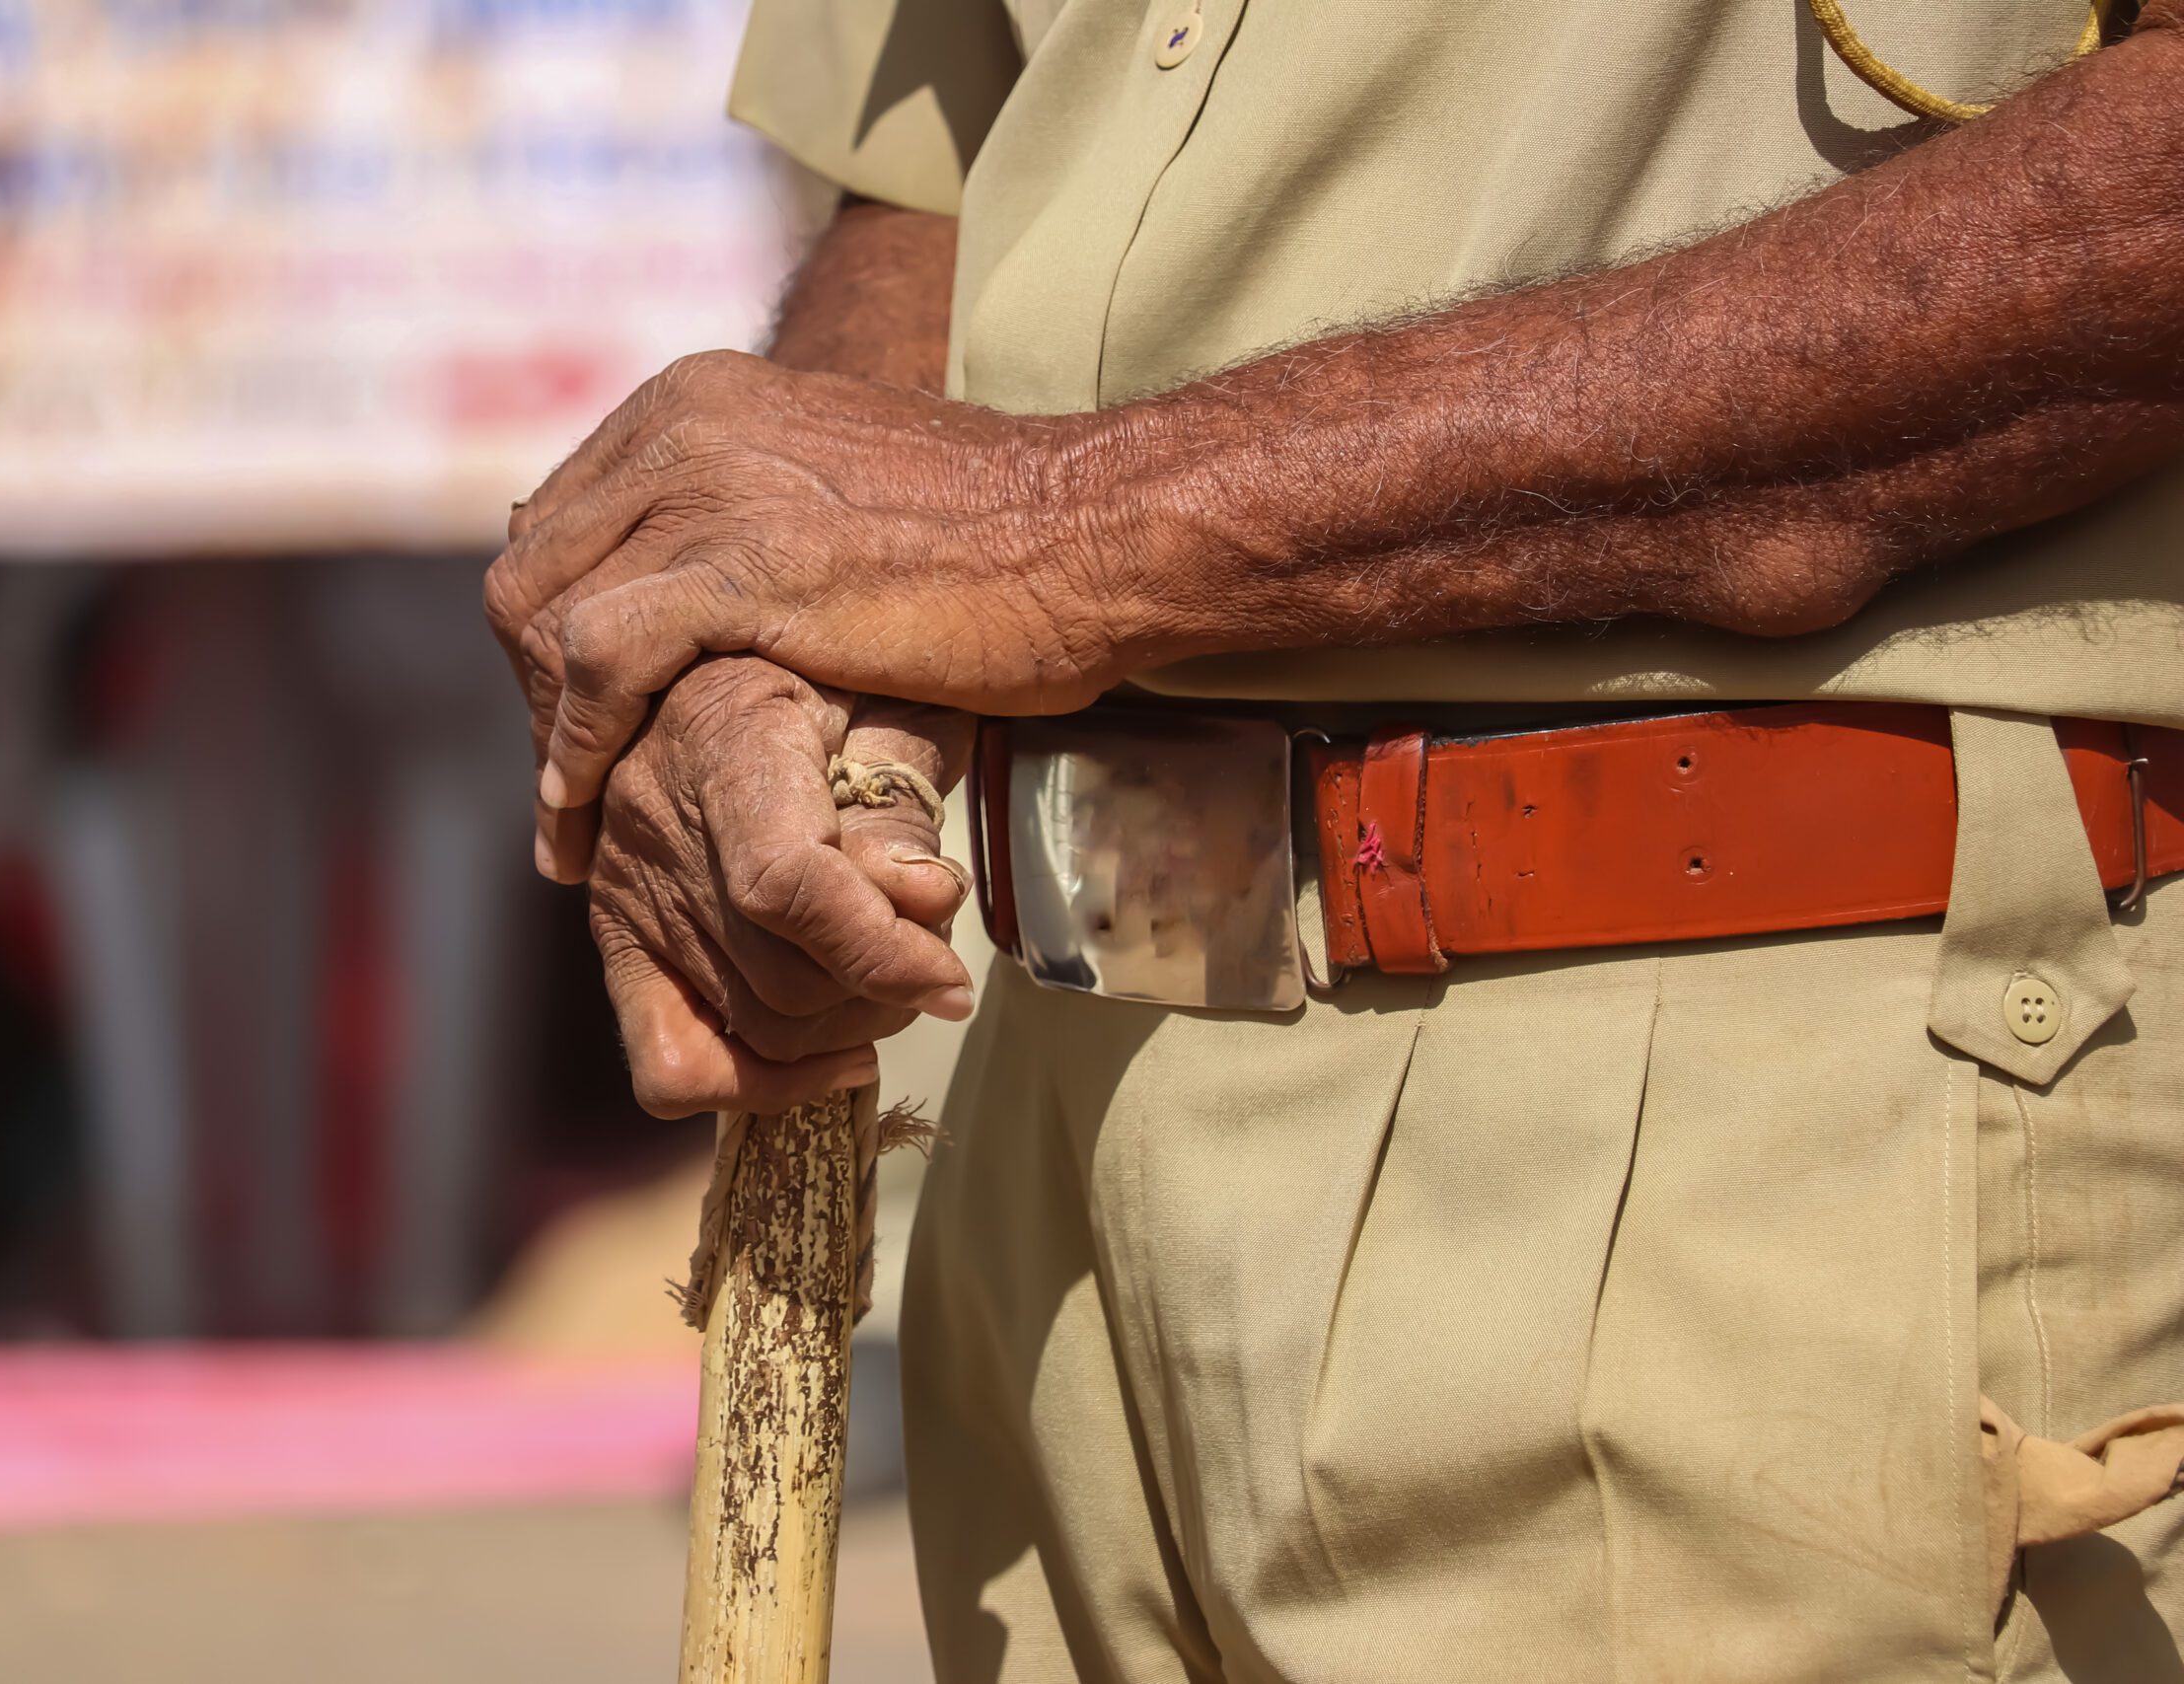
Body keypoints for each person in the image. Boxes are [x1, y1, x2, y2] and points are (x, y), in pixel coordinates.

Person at [485, 2, 2184, 1675]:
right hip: (1056, 1144)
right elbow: (938, 161)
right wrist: (783, 648)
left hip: (1761, 1111)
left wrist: (1054, 532)